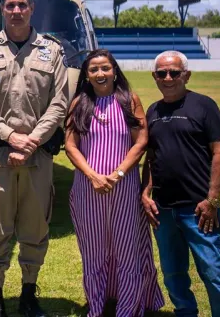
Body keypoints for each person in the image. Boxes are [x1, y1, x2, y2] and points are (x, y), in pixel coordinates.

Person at [0, 0, 69, 317]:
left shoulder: (52, 50)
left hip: (37, 156)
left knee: (35, 228)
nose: (16, 11)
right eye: (10, 5)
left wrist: (31, 141)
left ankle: (28, 293)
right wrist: (12, 137)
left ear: (32, 8)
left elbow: (59, 103)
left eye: (22, 5)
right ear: (2, 9)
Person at [64, 49, 164, 317]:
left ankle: (127, 309)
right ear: (86, 75)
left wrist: (117, 174)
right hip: (88, 188)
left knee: (127, 249)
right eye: (94, 69)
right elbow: (70, 146)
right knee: (93, 251)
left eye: (105, 68)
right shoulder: (79, 103)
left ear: (115, 71)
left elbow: (141, 141)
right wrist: (93, 176)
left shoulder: (129, 100)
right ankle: (96, 307)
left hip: (125, 187)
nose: (100, 74)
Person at [142, 51, 220, 317]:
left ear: (187, 75)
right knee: (173, 273)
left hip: (198, 209)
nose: (168, 78)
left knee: (213, 271)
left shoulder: (204, 105)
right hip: (163, 210)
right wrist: (145, 192)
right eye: (161, 73)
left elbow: (219, 152)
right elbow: (151, 156)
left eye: (174, 72)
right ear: (154, 76)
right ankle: (185, 313)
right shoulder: (153, 110)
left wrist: (212, 200)